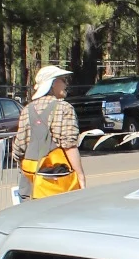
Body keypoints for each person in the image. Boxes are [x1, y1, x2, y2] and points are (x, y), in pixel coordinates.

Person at [12, 65, 86, 199]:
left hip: (31, 184)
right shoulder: (64, 108)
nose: (66, 84)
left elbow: (18, 150)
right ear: (52, 84)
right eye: (63, 80)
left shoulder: (26, 110)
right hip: (58, 183)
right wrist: (80, 175)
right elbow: (69, 146)